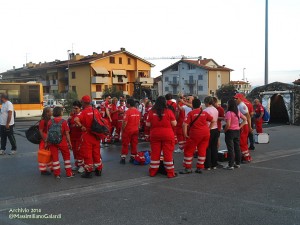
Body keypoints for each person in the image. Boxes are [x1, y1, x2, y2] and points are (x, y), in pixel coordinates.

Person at [180, 99, 214, 174]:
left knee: (188, 150)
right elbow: (213, 120)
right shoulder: (204, 113)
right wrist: (209, 128)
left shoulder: (191, 113)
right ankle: (200, 167)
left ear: (193, 105)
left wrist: (185, 134)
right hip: (205, 133)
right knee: (202, 150)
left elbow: (184, 124)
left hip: (195, 133)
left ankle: (188, 168)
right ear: (200, 105)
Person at [146, 96, 177, 178]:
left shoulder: (151, 112)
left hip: (155, 134)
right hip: (167, 135)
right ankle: (170, 173)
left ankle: (152, 172)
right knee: (168, 154)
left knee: (155, 154)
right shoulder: (169, 111)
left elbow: (147, 124)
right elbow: (174, 124)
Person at [75, 95, 103, 178]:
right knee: (96, 153)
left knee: (87, 154)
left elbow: (76, 120)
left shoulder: (83, 112)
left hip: (87, 135)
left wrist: (81, 126)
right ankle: (98, 170)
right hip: (96, 135)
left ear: (83, 102)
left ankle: (88, 171)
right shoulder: (96, 111)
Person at [46, 107, 74, 179]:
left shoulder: (50, 121)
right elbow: (67, 134)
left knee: (55, 158)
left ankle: (57, 174)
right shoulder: (64, 122)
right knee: (66, 158)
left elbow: (48, 133)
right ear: (61, 112)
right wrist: (70, 143)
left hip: (52, 142)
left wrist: (47, 142)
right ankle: (69, 173)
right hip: (62, 142)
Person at [223, 99, 247, 170]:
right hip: (237, 131)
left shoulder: (229, 113)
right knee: (237, 147)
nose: (227, 105)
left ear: (229, 105)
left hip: (230, 131)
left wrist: (225, 130)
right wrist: (239, 127)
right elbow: (245, 119)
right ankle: (238, 163)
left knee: (230, 148)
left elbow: (228, 124)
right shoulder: (237, 112)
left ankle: (231, 165)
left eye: (227, 103)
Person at [120, 98, 140, 164]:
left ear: (129, 104)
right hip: (135, 130)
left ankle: (123, 157)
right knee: (134, 144)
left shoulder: (128, 112)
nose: (125, 104)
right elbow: (139, 122)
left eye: (126, 103)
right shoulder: (137, 111)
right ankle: (133, 157)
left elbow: (124, 122)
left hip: (128, 130)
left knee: (125, 144)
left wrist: (122, 130)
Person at [234, 93, 252, 162]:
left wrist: (250, 127)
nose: (235, 99)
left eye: (236, 98)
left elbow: (248, 116)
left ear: (240, 98)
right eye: (235, 98)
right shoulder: (239, 105)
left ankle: (247, 157)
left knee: (242, 142)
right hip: (242, 125)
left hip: (243, 125)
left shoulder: (242, 106)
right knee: (240, 141)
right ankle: (243, 156)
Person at [203, 96, 219, 170]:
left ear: (206, 102)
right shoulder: (215, 109)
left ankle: (208, 165)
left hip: (209, 129)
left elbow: (204, 121)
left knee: (207, 148)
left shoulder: (205, 110)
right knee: (214, 147)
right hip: (215, 129)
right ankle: (214, 164)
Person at [68, 101, 84, 173]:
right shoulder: (73, 115)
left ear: (80, 108)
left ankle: (82, 166)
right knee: (74, 151)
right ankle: (77, 164)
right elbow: (70, 125)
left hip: (79, 136)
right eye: (74, 108)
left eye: (76, 108)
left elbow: (83, 126)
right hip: (72, 136)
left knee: (79, 151)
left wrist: (78, 125)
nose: (75, 109)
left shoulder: (82, 114)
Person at [38, 107, 53, 175]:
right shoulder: (43, 121)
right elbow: (40, 131)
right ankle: (43, 170)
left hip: (48, 139)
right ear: (47, 113)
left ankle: (51, 167)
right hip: (44, 140)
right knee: (43, 155)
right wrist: (45, 140)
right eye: (50, 111)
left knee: (49, 155)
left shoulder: (50, 120)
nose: (51, 112)